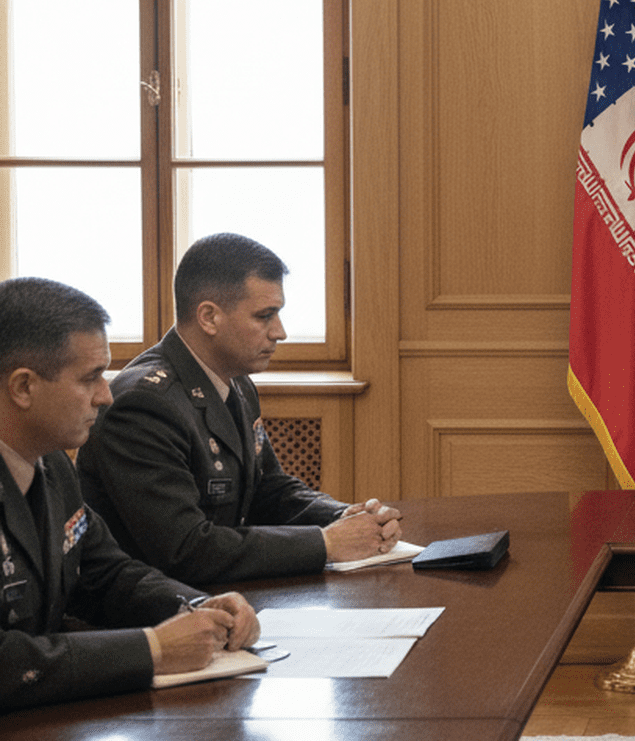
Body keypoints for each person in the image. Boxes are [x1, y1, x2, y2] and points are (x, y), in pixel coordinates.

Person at [76, 233, 402, 584]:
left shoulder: (235, 381)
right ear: (209, 317)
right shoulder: (143, 405)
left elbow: (268, 489)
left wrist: (343, 517)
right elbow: (185, 549)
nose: (280, 332)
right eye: (265, 316)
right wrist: (325, 543)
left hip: (223, 590)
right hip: (161, 612)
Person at [0, 277, 260, 712]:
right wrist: (152, 649)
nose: (106, 395)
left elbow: (104, 573)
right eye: (90, 379)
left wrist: (195, 608)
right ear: (23, 387)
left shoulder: (52, 463)